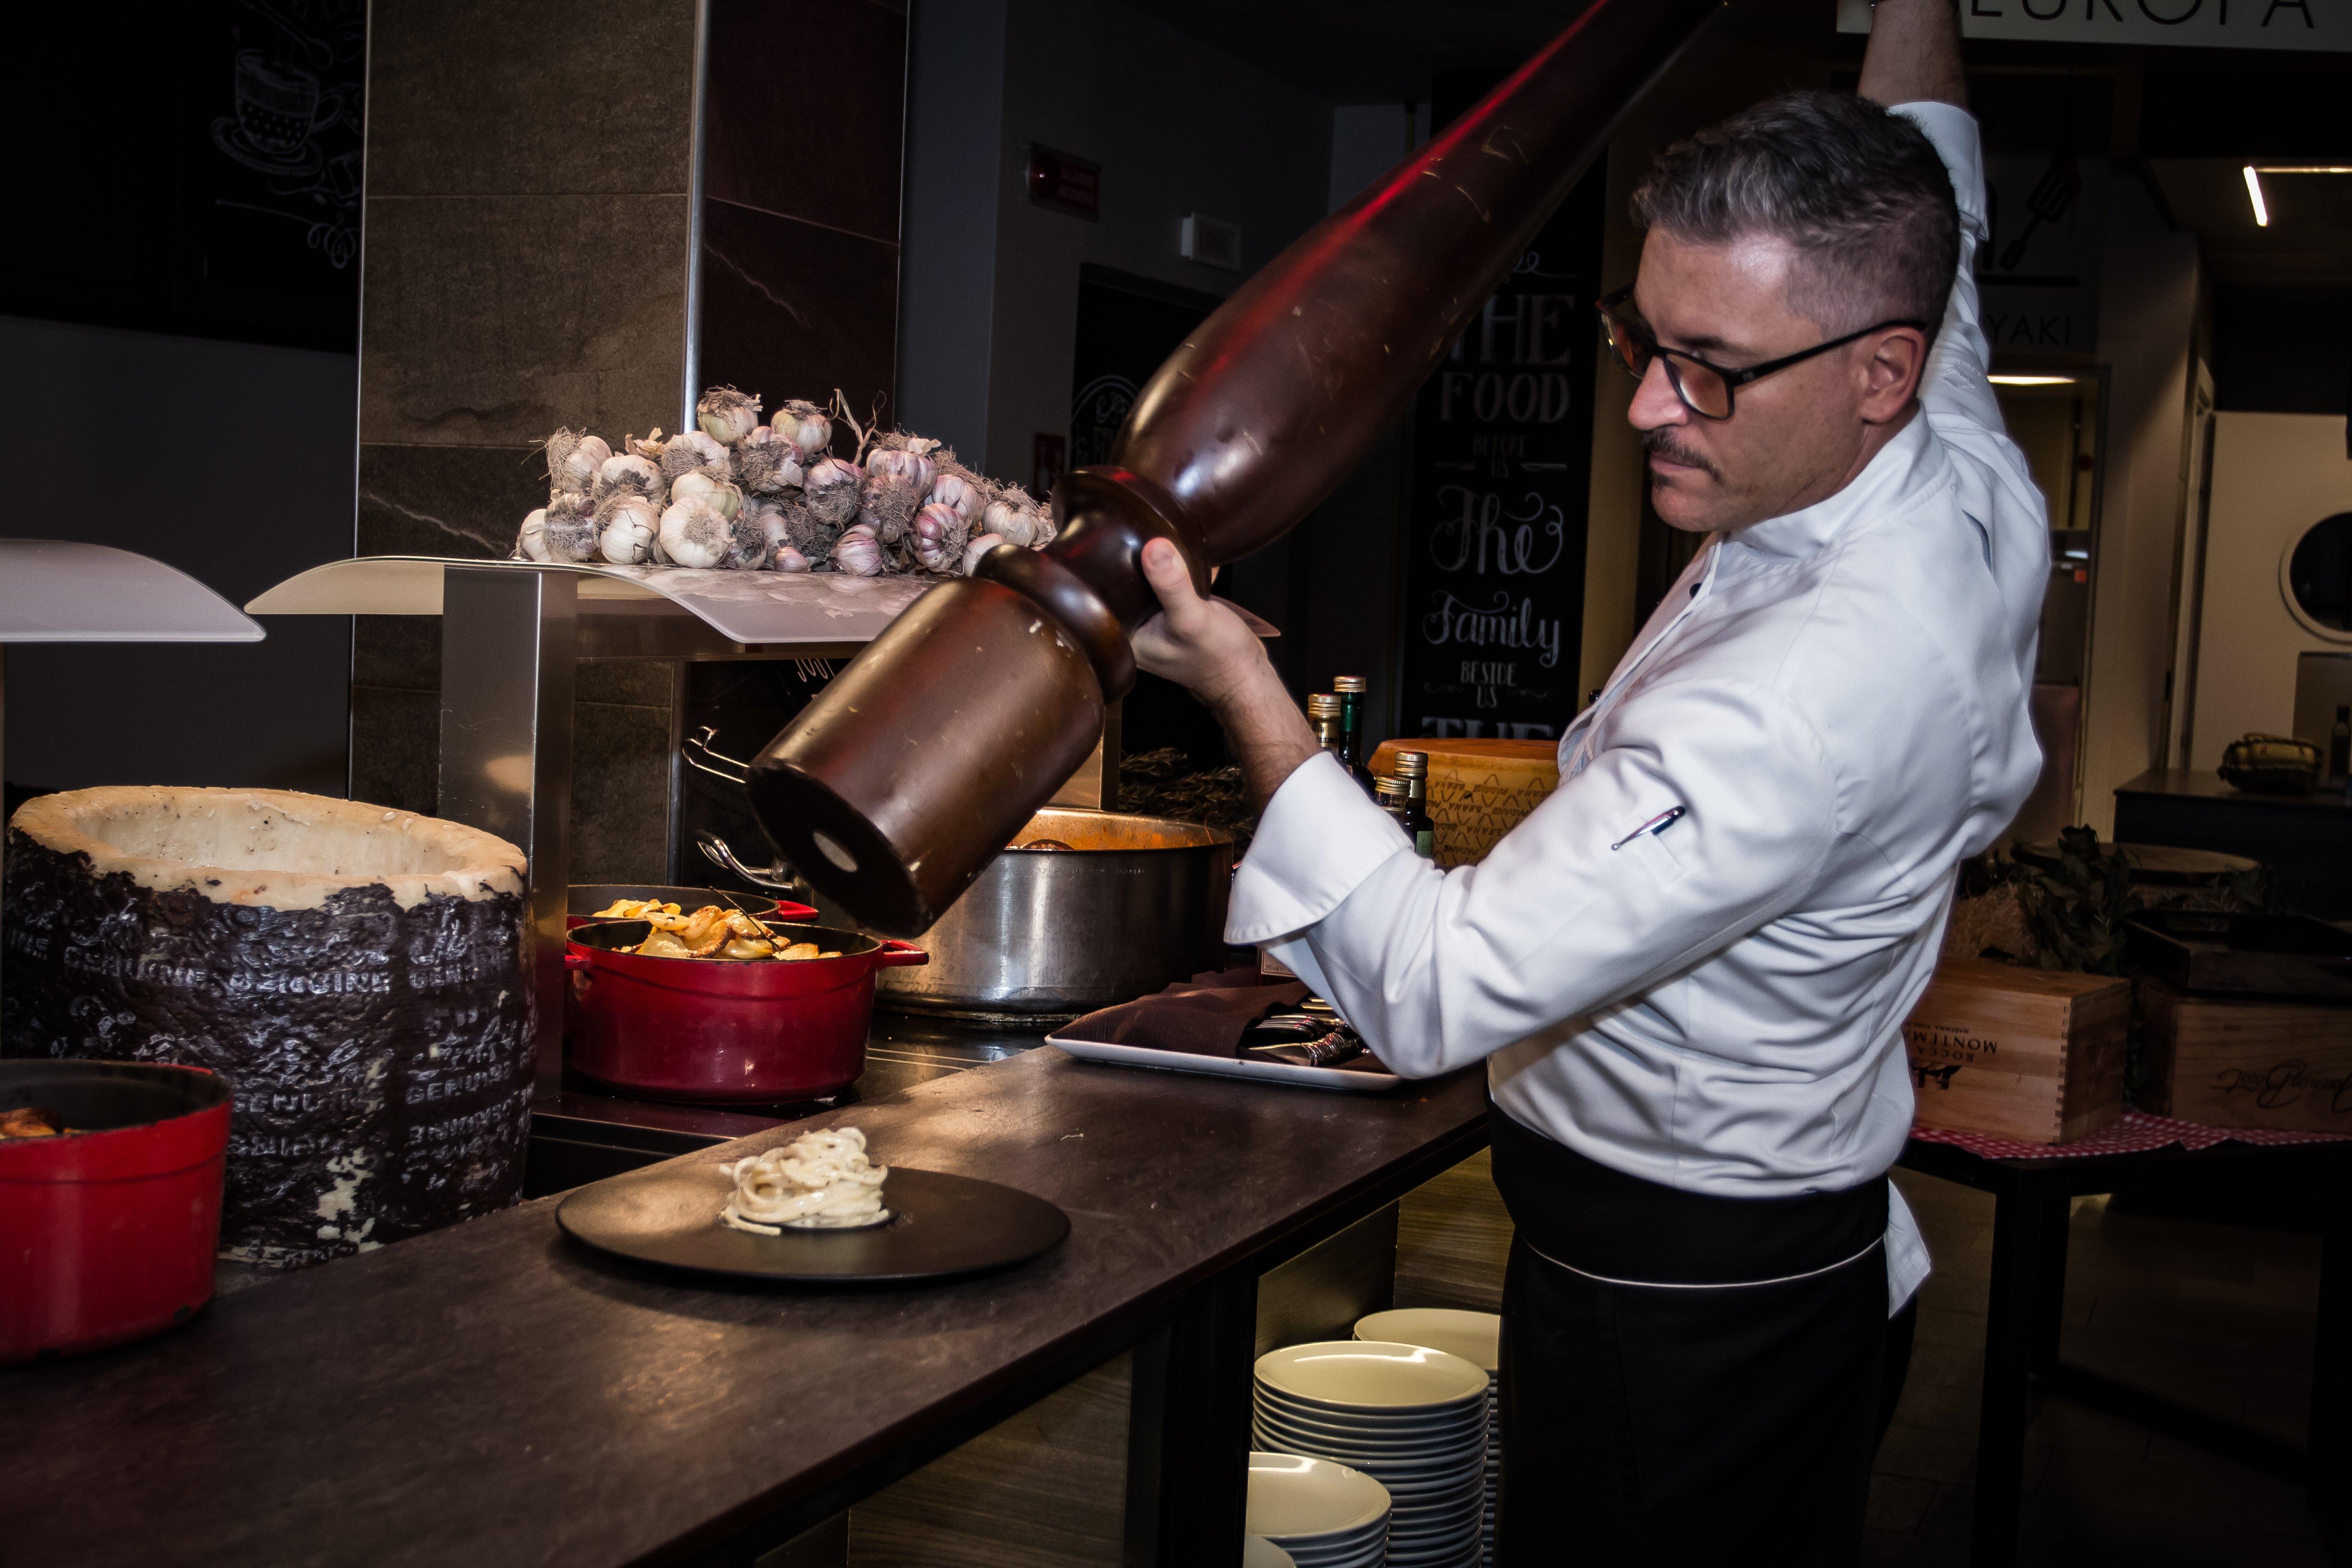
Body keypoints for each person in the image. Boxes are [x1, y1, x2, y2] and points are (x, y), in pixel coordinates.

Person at [1130, 0, 2046, 1560]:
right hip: (1756, 1263)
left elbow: (1433, 990)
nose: (1645, 409)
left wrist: (1242, 691)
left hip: (1687, 1316)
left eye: (1712, 371)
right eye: (1646, 339)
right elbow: (1933, 161)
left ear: (1880, 371)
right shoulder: (1940, 429)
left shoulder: (1813, 692)